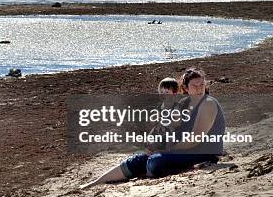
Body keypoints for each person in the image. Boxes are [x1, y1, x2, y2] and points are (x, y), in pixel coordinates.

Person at [80, 69, 225, 190]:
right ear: (186, 88)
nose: (200, 88)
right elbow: (167, 128)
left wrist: (167, 150)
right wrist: (154, 145)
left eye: (202, 84)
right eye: (195, 85)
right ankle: (95, 183)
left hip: (204, 153)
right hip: (184, 150)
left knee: (155, 162)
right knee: (138, 159)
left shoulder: (208, 104)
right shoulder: (184, 103)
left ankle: (151, 171)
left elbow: (195, 139)